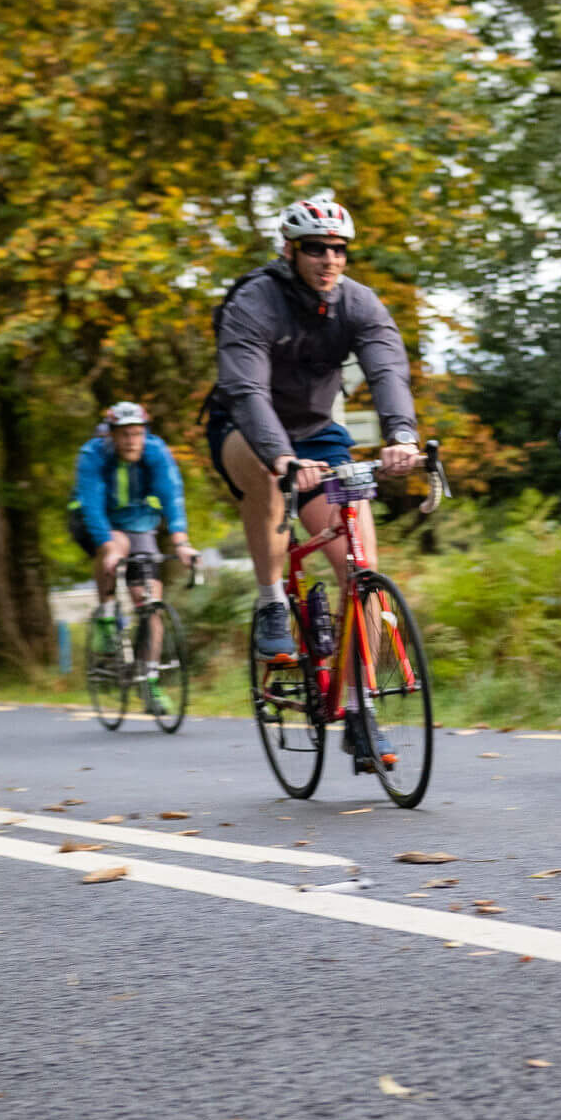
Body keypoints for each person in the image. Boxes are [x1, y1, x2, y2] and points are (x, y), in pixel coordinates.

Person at [207, 192, 421, 764]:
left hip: (318, 430)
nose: (330, 259)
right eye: (316, 249)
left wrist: (402, 437)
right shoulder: (256, 301)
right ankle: (272, 600)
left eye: (339, 249)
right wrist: (280, 456)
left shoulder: (360, 304)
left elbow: (388, 369)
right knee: (265, 474)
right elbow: (246, 390)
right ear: (290, 250)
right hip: (247, 426)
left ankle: (359, 711)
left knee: (363, 568)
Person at [68, 401, 195, 710]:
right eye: (124, 434)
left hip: (139, 523)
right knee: (118, 544)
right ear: (110, 435)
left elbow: (172, 495)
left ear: (145, 434)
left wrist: (181, 542)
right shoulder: (93, 455)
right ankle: (107, 616)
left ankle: (149, 682)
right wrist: (108, 547)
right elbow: (93, 506)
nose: (131, 441)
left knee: (150, 600)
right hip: (93, 521)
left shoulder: (156, 452)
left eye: (137, 434)